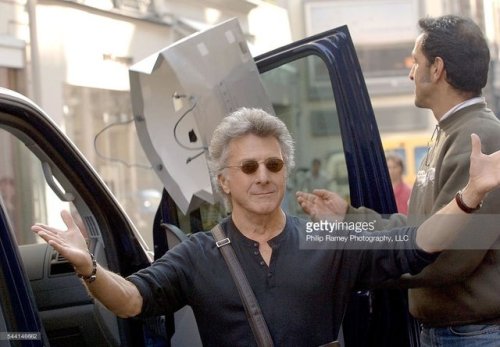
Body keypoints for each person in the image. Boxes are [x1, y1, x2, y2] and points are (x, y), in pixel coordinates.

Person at [32, 108, 500, 346]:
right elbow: (132, 301)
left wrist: (470, 196)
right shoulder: (197, 254)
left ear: (285, 172)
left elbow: (417, 244)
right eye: (249, 166)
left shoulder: (327, 236)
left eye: (273, 164)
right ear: (225, 181)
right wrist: (89, 269)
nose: (263, 176)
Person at [297, 15, 500, 346]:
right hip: (451, 333)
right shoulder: (452, 132)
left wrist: (356, 260)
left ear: (437, 69)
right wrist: (349, 220)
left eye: (415, 62)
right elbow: (423, 230)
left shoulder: (479, 137)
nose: (410, 73)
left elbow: (446, 253)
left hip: (471, 335)